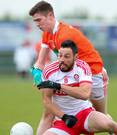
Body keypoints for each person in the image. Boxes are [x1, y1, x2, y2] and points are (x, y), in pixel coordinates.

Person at [29, 1, 109, 134]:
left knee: (102, 118)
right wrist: (37, 73)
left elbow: (63, 65)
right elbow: (40, 61)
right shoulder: (47, 33)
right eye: (35, 21)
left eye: (39, 20)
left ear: (50, 16)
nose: (37, 24)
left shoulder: (64, 35)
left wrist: (47, 80)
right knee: (49, 111)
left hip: (93, 75)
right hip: (75, 73)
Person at [37, 40, 117, 135]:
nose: (62, 60)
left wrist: (58, 86)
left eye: (67, 56)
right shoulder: (49, 71)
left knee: (111, 124)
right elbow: (47, 101)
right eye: (60, 56)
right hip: (64, 121)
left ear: (75, 57)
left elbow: (84, 94)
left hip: (85, 114)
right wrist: (64, 117)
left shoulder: (82, 67)